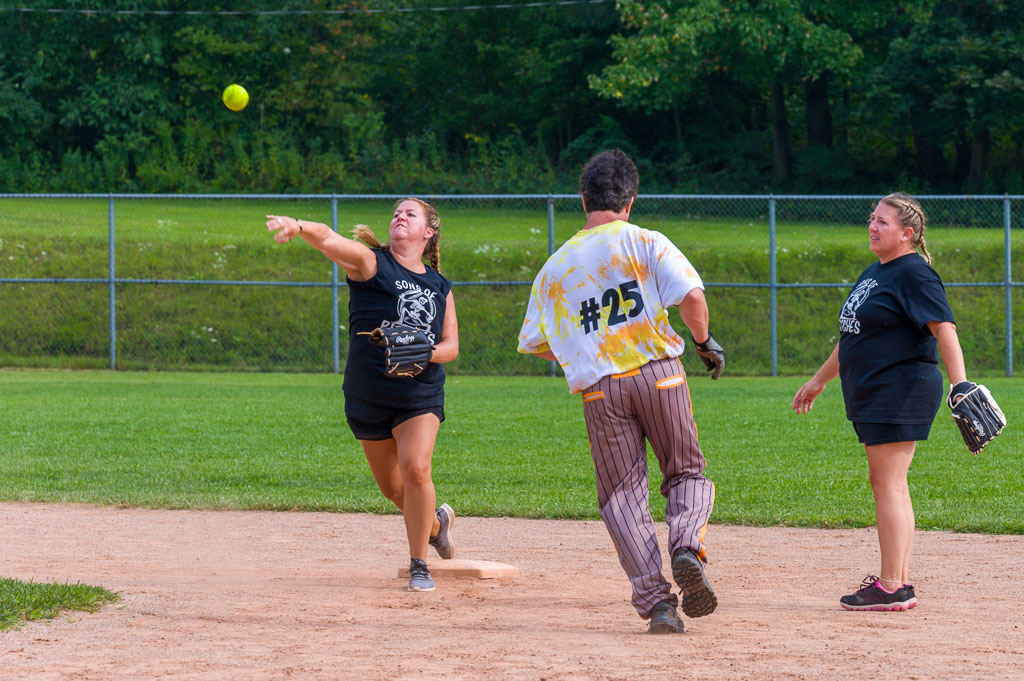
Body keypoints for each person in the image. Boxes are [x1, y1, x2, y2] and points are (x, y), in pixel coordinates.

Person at [517, 149, 724, 634]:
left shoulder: (555, 268)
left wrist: (586, 354)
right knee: (685, 471)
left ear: (582, 198)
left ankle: (658, 605)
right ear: (629, 200)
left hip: (601, 393)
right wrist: (703, 342)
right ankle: (686, 547)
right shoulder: (645, 241)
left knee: (621, 496)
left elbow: (534, 342)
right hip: (661, 374)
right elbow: (692, 297)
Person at [266, 198, 459, 592]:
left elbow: (451, 345)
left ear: (428, 232)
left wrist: (426, 353)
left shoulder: (440, 285)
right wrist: (299, 226)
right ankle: (437, 525)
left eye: (411, 213)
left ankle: (419, 563)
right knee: (394, 490)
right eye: (396, 213)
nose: (400, 217)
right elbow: (328, 239)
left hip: (419, 392)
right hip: (368, 393)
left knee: (416, 469)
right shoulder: (372, 264)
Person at [793, 192, 968, 611]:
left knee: (885, 483)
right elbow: (854, 335)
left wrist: (960, 384)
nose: (873, 226)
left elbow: (945, 329)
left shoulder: (913, 273)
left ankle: (891, 586)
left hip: (898, 390)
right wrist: (819, 380)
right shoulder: (876, 272)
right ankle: (899, 583)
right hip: (876, 390)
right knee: (892, 484)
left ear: (907, 234)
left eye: (883, 222)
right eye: (872, 219)